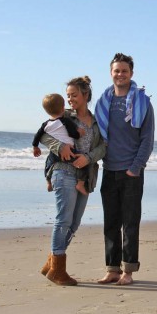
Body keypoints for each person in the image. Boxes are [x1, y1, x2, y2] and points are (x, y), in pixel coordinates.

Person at [37, 76, 106, 286]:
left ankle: (52, 263)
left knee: (74, 223)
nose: (70, 99)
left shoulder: (97, 121)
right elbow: (43, 135)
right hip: (63, 171)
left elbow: (103, 146)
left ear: (86, 95)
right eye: (68, 96)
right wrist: (60, 147)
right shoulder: (63, 115)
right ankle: (58, 269)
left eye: (74, 95)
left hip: (85, 177)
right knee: (63, 220)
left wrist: (89, 157)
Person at [95, 53, 155, 286]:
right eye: (116, 71)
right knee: (110, 222)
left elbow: (147, 139)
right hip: (109, 169)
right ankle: (112, 269)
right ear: (111, 73)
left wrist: (135, 168)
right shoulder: (103, 101)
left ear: (131, 73)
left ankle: (128, 271)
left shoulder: (143, 102)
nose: (120, 74)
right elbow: (94, 132)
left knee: (130, 223)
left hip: (131, 172)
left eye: (124, 71)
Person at [32, 93, 88, 196]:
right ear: (63, 108)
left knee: (48, 163)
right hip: (70, 152)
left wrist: (35, 147)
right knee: (84, 162)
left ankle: (48, 181)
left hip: (54, 153)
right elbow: (73, 134)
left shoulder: (45, 124)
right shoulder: (66, 121)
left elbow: (38, 136)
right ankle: (80, 183)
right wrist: (80, 132)